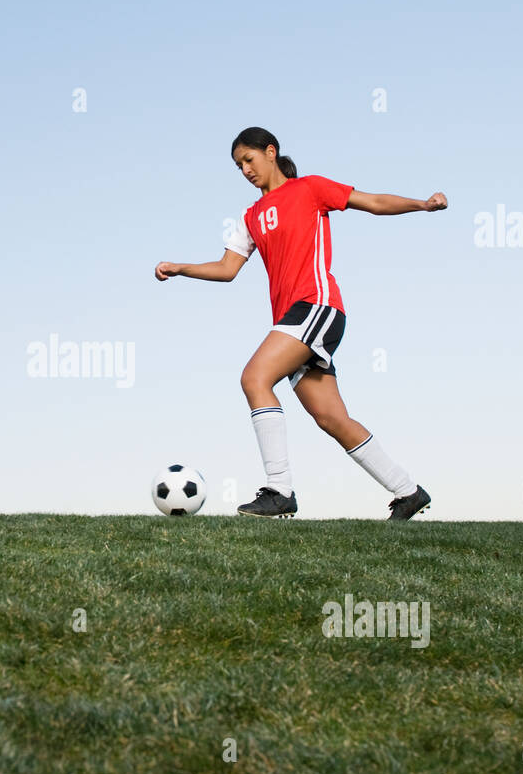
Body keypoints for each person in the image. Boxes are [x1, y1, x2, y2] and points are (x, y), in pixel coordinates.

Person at [153, 126, 447, 520]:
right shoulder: (250, 217)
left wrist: (422, 205)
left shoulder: (310, 188)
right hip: (294, 321)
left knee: (254, 378)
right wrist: (180, 268)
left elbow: (374, 201)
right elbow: (227, 269)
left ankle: (279, 491)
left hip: (316, 307)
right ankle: (408, 492)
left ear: (270, 152)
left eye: (249, 160)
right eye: (238, 166)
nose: (245, 170)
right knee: (331, 418)